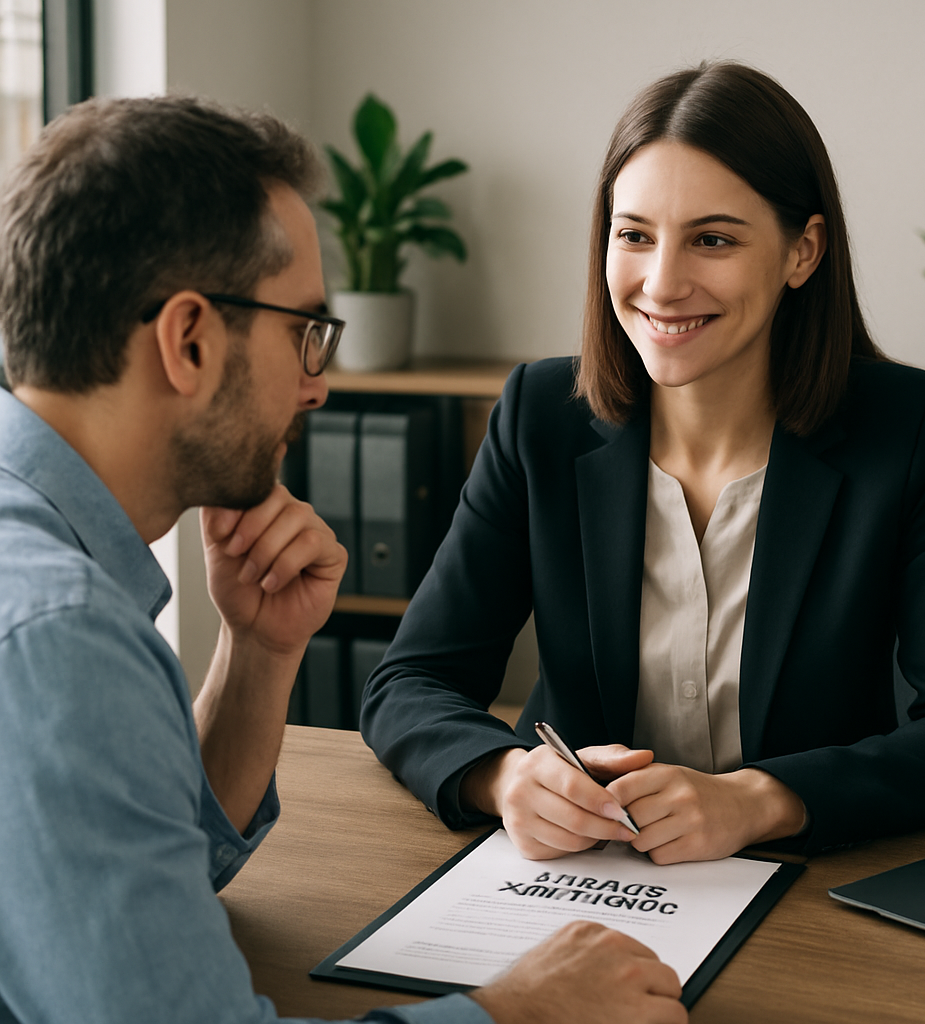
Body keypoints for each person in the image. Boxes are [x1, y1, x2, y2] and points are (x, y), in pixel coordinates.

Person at [0, 96, 688, 1024]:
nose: (319, 385)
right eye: (306, 333)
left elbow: (162, 867)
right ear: (190, 340)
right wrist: (519, 1013)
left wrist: (258, 651)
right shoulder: (58, 635)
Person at [361, 61, 925, 865]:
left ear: (802, 252)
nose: (662, 283)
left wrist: (759, 800)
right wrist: (503, 778)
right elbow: (412, 682)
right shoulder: (541, 416)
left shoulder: (908, 428)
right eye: (634, 234)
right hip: (581, 882)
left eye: (712, 240)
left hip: (810, 891)